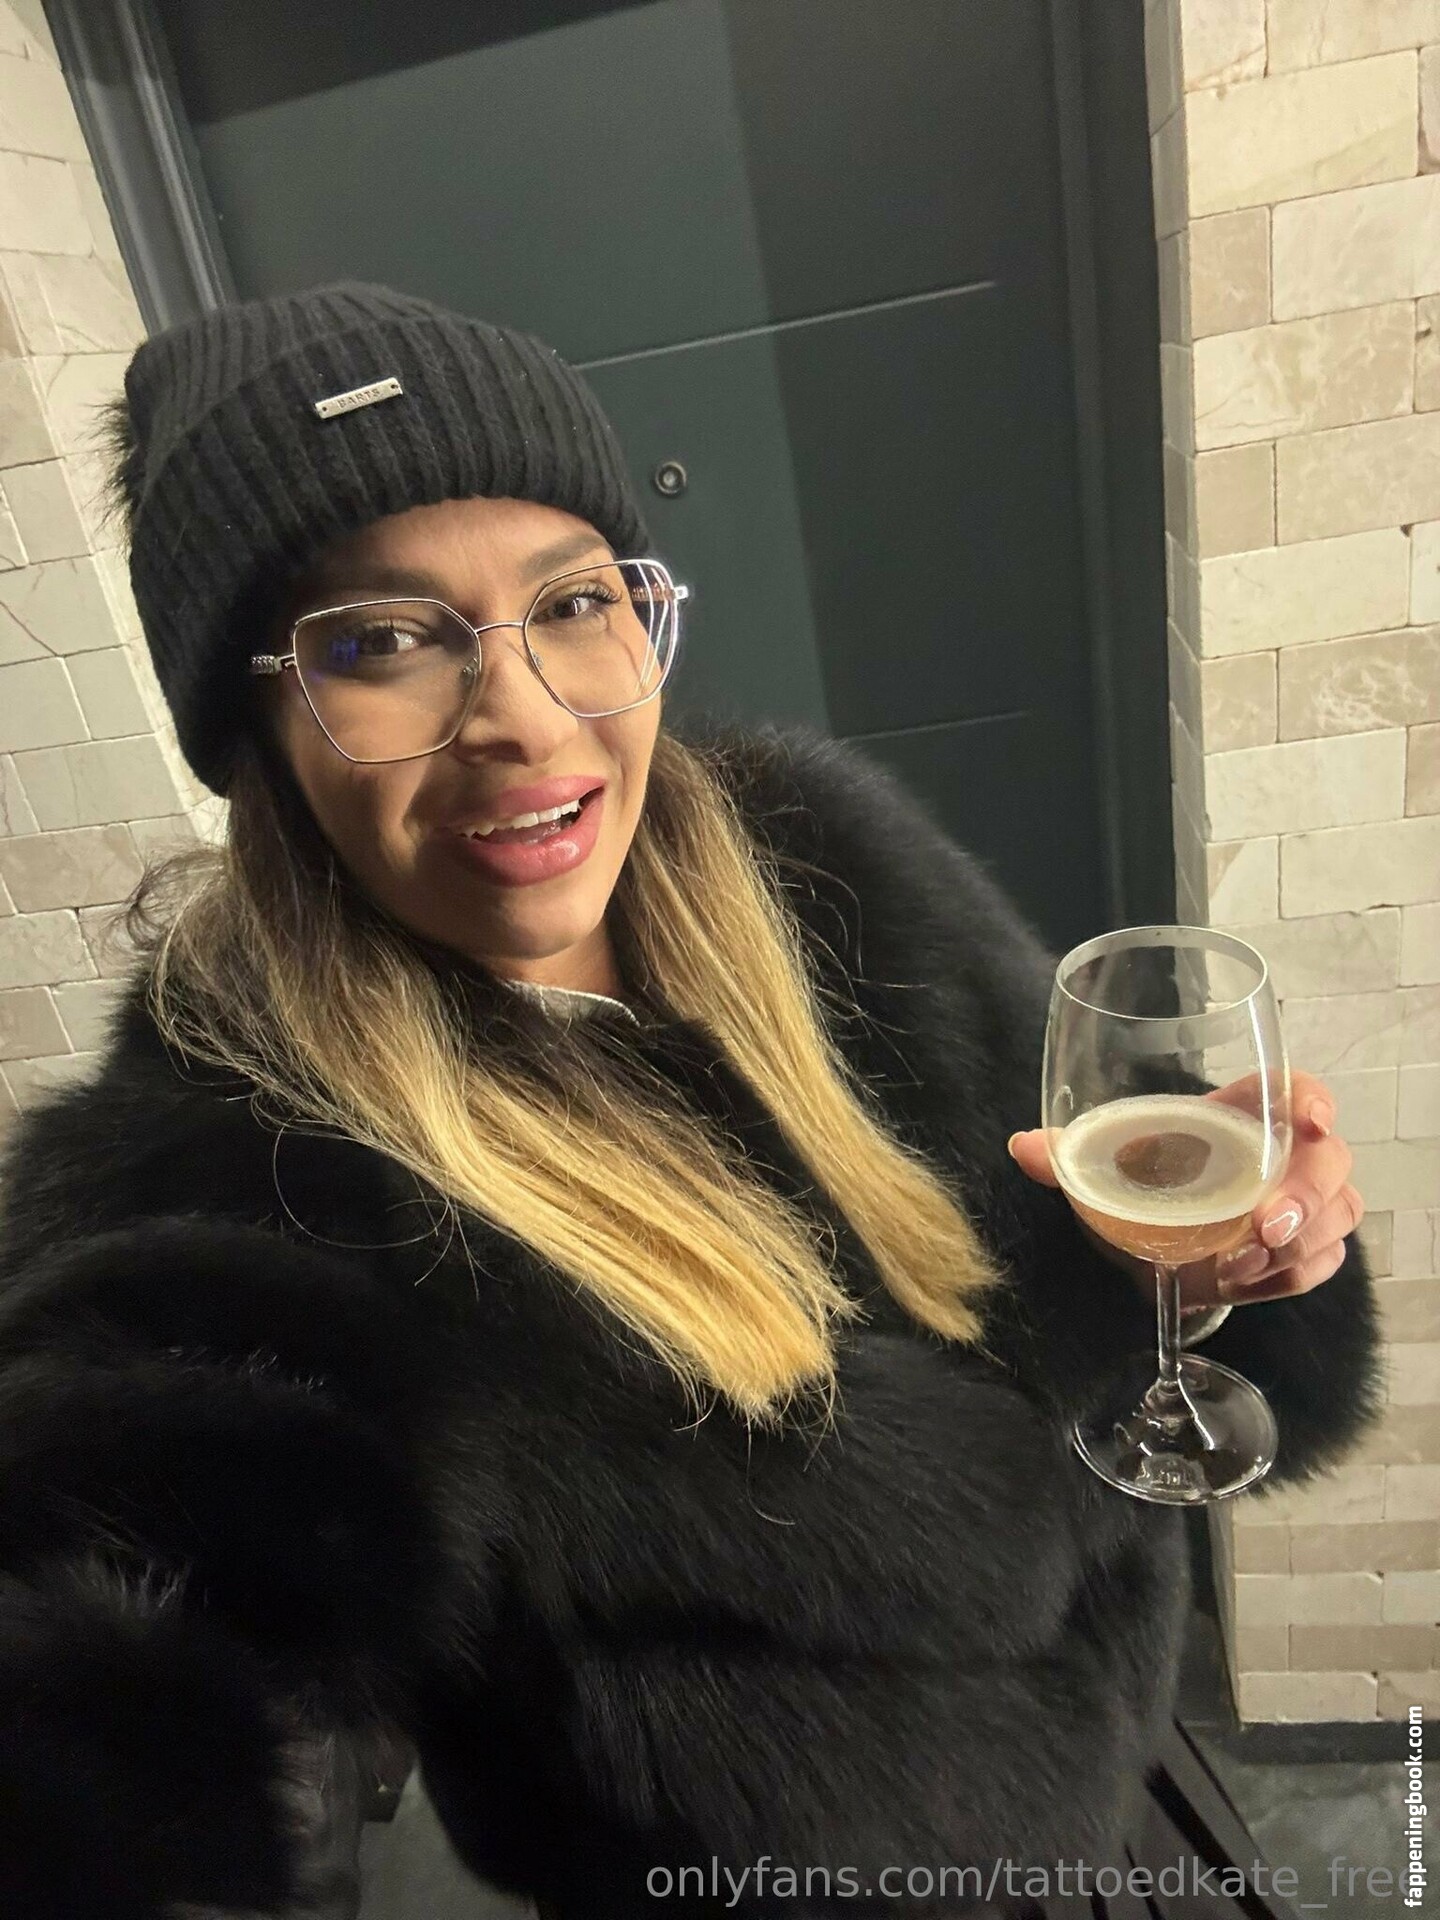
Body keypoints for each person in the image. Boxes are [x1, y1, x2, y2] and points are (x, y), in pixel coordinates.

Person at [0, 282, 1381, 1920]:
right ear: (260, 734)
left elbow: (1141, 1277)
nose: (526, 716)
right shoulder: (239, 1181)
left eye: (573, 601)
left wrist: (1226, 1278)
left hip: (1124, 1800)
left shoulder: (835, 873)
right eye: (380, 641)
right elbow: (107, 1668)